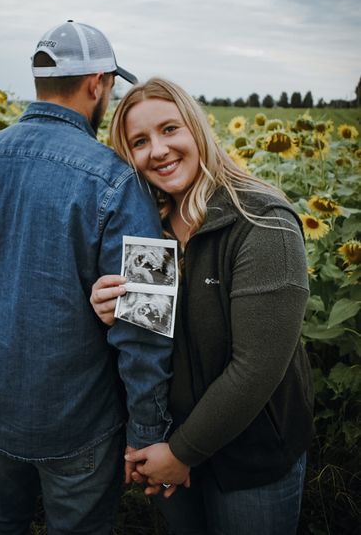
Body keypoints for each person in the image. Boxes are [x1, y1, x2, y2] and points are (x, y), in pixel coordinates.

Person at [0, 23, 172, 535]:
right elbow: (146, 321)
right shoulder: (119, 180)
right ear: (97, 84)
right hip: (75, 417)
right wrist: (148, 430)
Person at [90, 77, 314, 535]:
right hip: (170, 443)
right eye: (139, 141)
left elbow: (255, 368)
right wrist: (111, 307)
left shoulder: (261, 221)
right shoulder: (153, 228)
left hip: (247, 456)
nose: (158, 150)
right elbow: (152, 339)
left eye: (170, 129)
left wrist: (182, 453)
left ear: (197, 129)